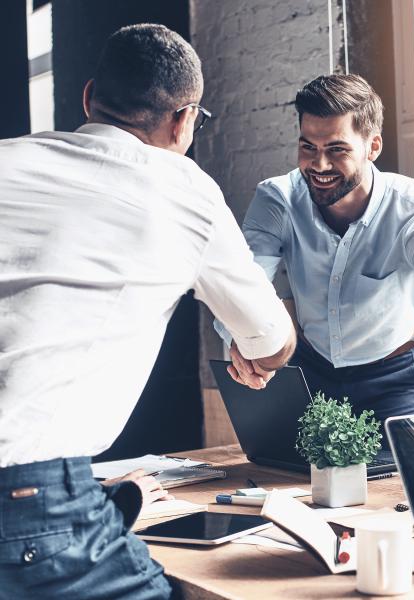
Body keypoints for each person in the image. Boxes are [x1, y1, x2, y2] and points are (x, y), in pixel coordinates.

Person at [0, 24, 295, 598]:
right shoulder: (184, 189)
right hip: (31, 503)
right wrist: (252, 347)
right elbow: (271, 343)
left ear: (88, 99)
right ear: (185, 120)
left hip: (49, 491)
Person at [217, 74, 414, 427]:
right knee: (293, 479)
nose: (319, 165)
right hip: (310, 370)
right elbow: (240, 285)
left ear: (372, 147)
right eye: (308, 147)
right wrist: (242, 340)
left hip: (393, 379)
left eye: (337, 149)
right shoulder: (278, 198)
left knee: (399, 481)